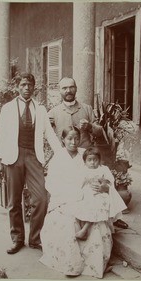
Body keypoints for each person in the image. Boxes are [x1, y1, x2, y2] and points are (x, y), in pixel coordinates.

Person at [0, 72, 61, 255]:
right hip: (12, 157)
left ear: (34, 88)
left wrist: (63, 154)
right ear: (18, 87)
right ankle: (17, 239)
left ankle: (35, 238)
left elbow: (50, 135)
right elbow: (1, 136)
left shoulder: (40, 108)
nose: (26, 88)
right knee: (13, 201)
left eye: (30, 85)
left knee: (41, 199)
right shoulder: (7, 108)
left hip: (33, 156)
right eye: (23, 85)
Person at [48, 77, 128, 229]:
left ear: (76, 89)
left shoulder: (87, 109)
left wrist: (90, 126)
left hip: (86, 156)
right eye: (64, 88)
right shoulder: (53, 112)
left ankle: (114, 216)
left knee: (101, 182)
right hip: (68, 158)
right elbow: (45, 132)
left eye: (71, 87)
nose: (68, 90)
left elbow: (100, 131)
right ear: (59, 91)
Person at [39, 126, 113, 278]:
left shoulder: (84, 154)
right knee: (67, 220)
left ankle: (93, 262)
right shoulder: (57, 158)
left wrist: (102, 186)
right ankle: (71, 263)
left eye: (76, 138)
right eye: (69, 139)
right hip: (64, 195)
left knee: (96, 214)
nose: (73, 142)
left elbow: (101, 170)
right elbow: (52, 183)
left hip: (87, 193)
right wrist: (69, 195)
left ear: (80, 139)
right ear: (63, 140)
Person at [74, 146, 127, 241]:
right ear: (85, 161)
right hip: (87, 193)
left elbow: (110, 182)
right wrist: (86, 180)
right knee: (88, 202)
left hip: (101, 193)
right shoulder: (83, 170)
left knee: (99, 202)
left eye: (95, 160)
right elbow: (78, 184)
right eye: (89, 160)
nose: (92, 162)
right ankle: (84, 228)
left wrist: (103, 183)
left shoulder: (103, 169)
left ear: (99, 160)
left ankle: (84, 230)